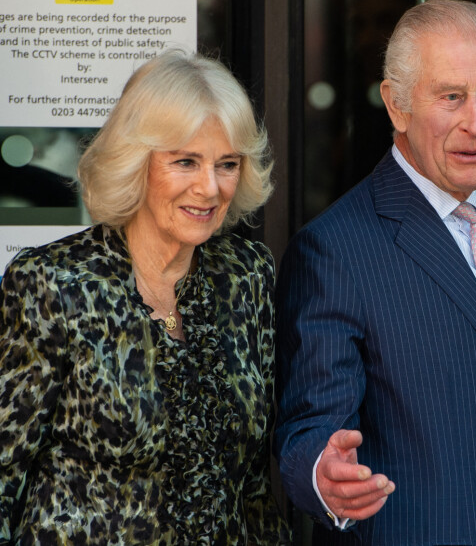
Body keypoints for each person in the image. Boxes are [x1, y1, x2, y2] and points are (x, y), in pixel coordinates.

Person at [274, 0, 476, 545]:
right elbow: (309, 428)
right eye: (452, 97)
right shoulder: (334, 250)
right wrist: (325, 476)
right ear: (396, 105)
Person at [0, 49, 291, 545]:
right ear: (137, 163)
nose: (210, 187)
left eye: (227, 164)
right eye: (185, 161)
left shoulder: (248, 274)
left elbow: (253, 488)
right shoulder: (52, 283)